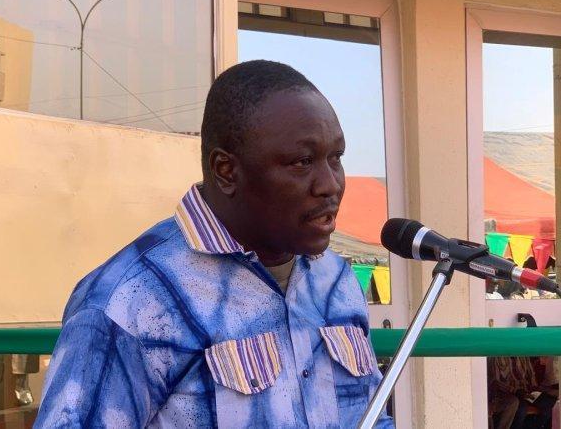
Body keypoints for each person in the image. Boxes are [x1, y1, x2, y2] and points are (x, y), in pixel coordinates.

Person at [34, 60, 392, 428]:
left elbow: (369, 415)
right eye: (302, 162)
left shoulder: (335, 280)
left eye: (336, 158)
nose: (330, 184)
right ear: (226, 171)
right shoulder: (130, 300)